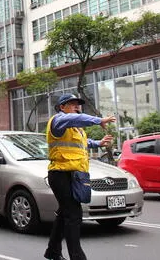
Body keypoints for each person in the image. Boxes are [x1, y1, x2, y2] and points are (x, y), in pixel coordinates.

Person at [44, 94, 116, 260]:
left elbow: (83, 142)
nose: (77, 107)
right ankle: (77, 257)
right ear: (62, 107)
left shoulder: (76, 129)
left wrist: (98, 143)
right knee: (73, 215)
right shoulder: (58, 120)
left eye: (78, 104)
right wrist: (99, 120)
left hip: (75, 175)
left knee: (65, 213)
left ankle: (53, 252)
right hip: (60, 174)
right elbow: (77, 119)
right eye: (72, 104)